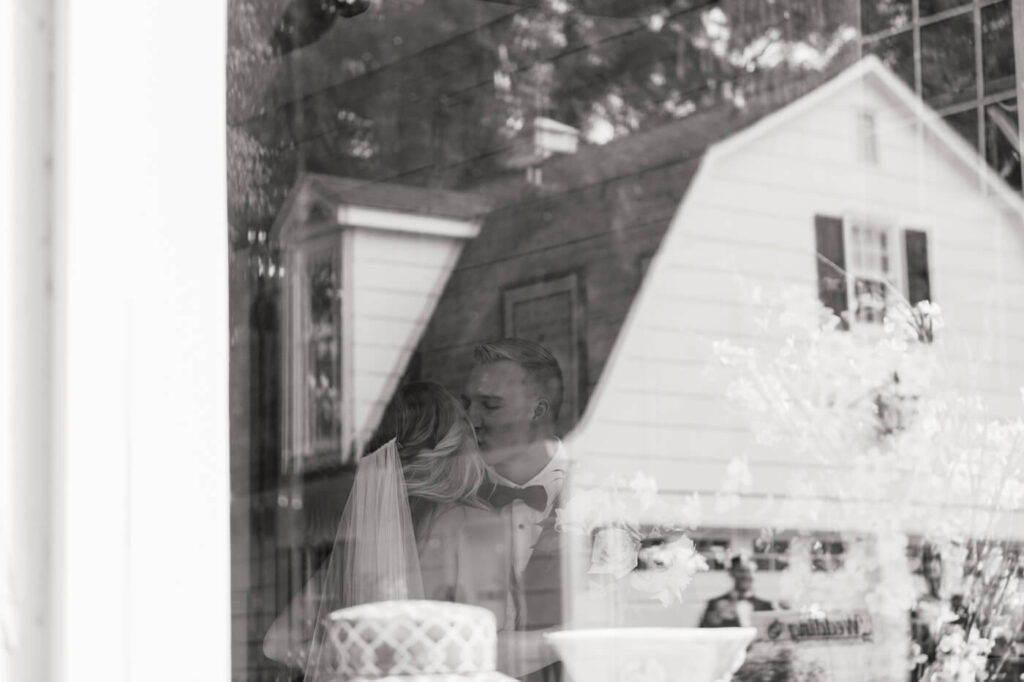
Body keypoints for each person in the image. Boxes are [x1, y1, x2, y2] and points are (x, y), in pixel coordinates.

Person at [262, 381, 489, 681]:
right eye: (466, 424)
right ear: (452, 445)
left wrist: (347, 660)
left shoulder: (360, 543)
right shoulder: (466, 523)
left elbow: (277, 643)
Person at [461, 339, 568, 681]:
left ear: (537, 411)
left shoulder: (602, 496)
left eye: (490, 406)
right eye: (469, 404)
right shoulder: (451, 500)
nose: (471, 419)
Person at [699, 555, 776, 628]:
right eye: (741, 571)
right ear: (731, 572)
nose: (746, 575)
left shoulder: (766, 607)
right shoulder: (714, 604)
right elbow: (703, 635)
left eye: (750, 571)